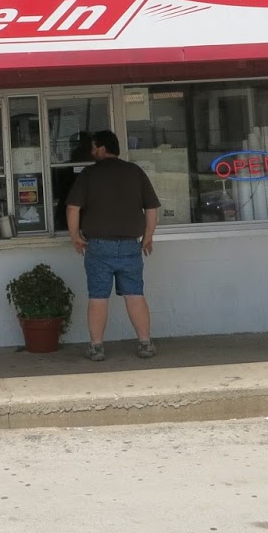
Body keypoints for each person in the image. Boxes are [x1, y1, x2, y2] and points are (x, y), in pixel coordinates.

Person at [66, 129, 161, 362]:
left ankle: (97, 348)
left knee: (98, 296)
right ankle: (145, 344)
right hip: (131, 245)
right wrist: (148, 237)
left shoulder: (89, 174)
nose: (91, 151)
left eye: (93, 147)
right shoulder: (135, 172)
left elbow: (73, 208)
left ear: (101, 148)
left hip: (99, 246)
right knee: (135, 294)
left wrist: (75, 236)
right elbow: (151, 209)